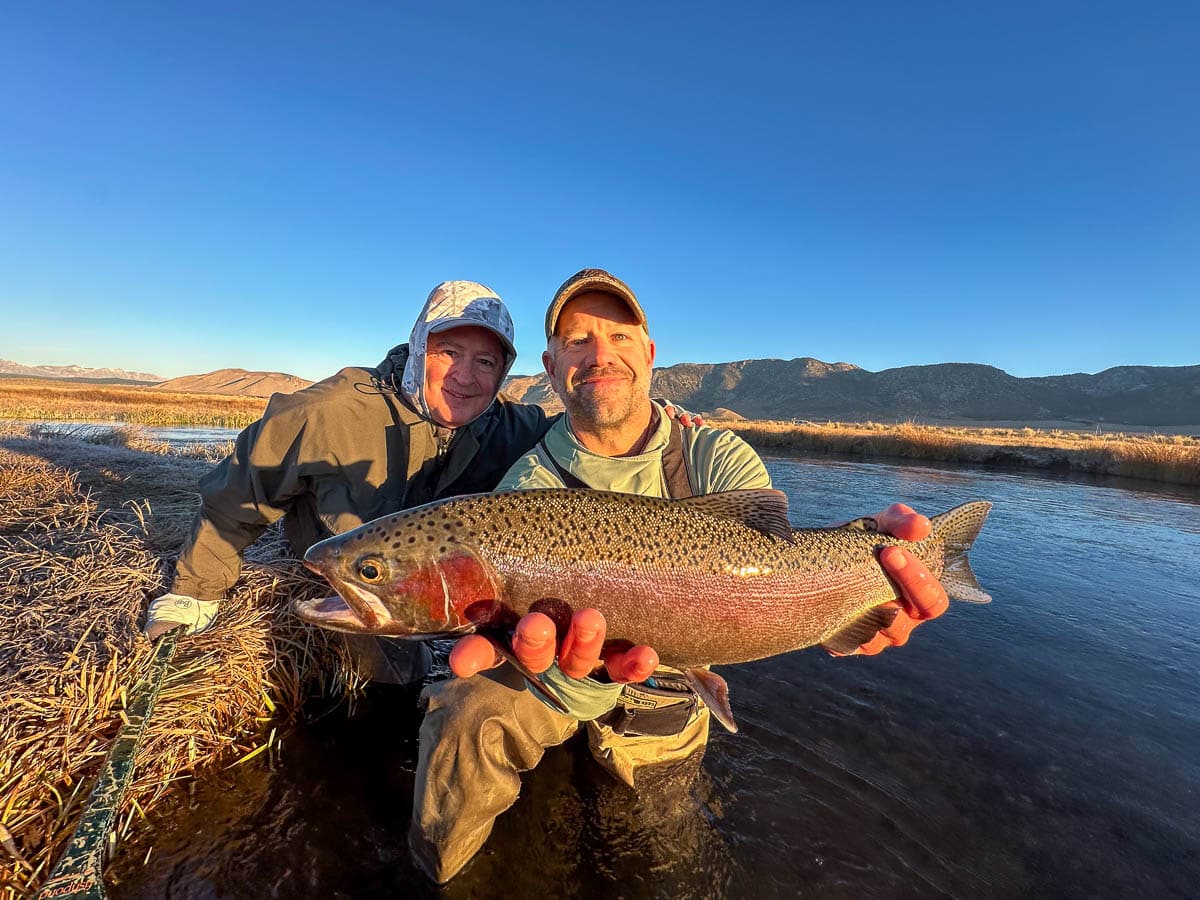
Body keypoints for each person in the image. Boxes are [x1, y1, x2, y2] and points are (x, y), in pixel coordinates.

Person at [409, 269, 950, 883]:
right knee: (459, 716)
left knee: (659, 861)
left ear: (650, 354)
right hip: (550, 678)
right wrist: (575, 674)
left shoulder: (711, 456)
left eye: (619, 336)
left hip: (671, 690)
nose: (599, 354)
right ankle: (438, 876)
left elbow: (772, 579)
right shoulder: (526, 484)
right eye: (577, 339)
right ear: (551, 363)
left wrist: (856, 605)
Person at [141, 280, 554, 683]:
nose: (464, 377)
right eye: (449, 352)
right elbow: (239, 498)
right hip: (352, 572)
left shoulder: (509, 427)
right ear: (418, 350)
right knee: (395, 674)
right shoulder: (327, 413)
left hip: (439, 579)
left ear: (502, 373)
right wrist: (193, 593)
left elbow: (582, 436)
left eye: (485, 362)